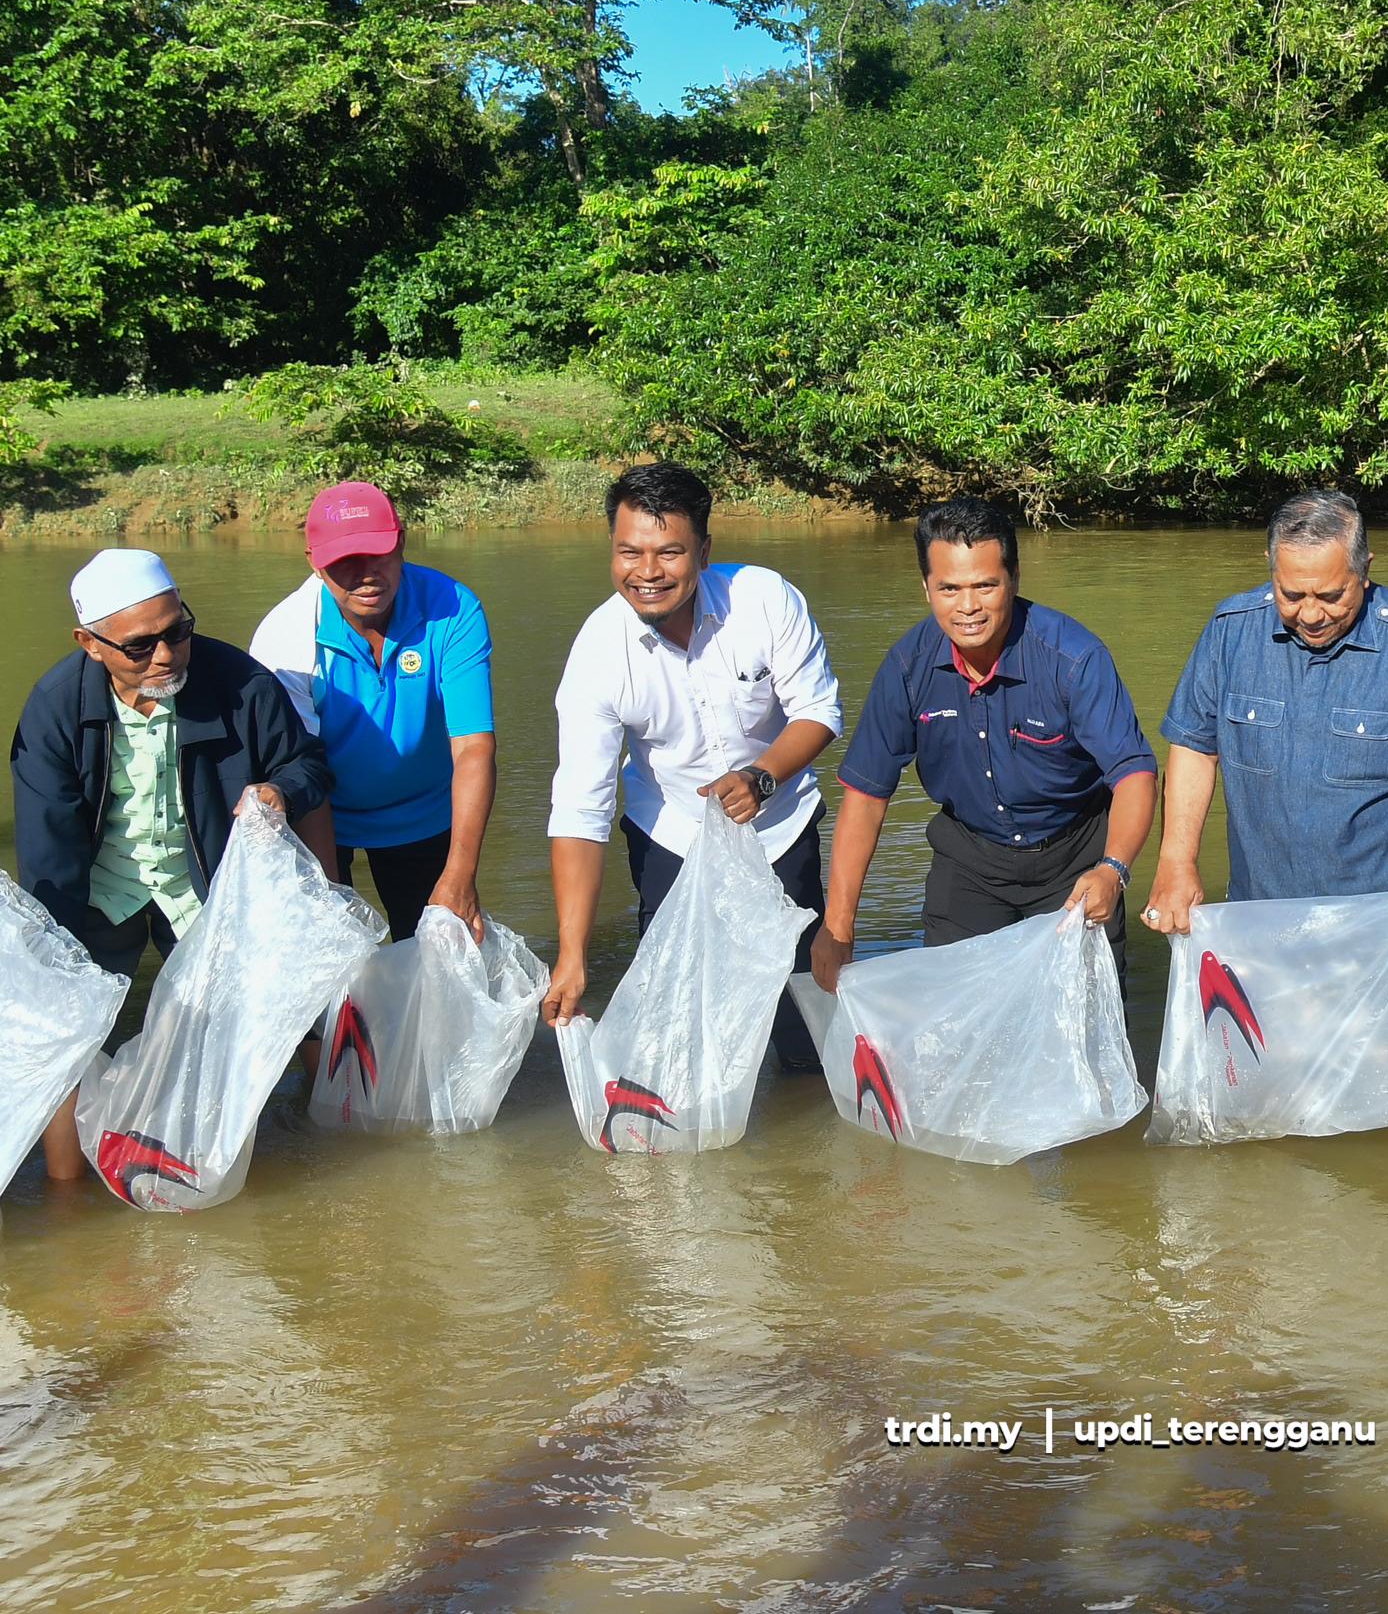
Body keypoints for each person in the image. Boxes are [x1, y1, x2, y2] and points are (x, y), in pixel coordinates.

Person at [11, 549, 332, 1178]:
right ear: (90, 643)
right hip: (104, 890)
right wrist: (49, 956)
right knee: (68, 1040)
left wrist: (279, 792)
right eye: (141, 645)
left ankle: (245, 1170)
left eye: (177, 630)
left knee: (239, 1031)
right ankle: (68, 1202)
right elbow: (46, 843)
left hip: (203, 888)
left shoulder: (241, 683)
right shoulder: (54, 709)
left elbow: (309, 764)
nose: (166, 654)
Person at [541, 463, 843, 1072]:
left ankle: (805, 1139)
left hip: (781, 827)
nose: (647, 572)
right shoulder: (599, 651)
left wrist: (762, 776)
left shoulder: (763, 599)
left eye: (669, 552)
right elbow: (581, 807)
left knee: (799, 1015)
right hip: (670, 837)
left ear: (703, 550)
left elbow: (819, 711)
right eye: (629, 552)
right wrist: (571, 953)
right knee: (682, 1010)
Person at [810, 498, 1156, 992]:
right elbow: (866, 797)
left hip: (1075, 863)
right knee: (959, 1026)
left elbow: (1135, 774)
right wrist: (838, 925)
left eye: (984, 586)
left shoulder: (1074, 658)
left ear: (1013, 579)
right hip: (969, 863)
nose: (967, 607)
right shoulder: (908, 667)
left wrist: (1113, 869)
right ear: (926, 587)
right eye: (948, 588)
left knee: (1087, 1029)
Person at [1144, 490, 1388, 931]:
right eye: (1291, 595)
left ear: (1365, 570)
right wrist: (1176, 861)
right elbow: (1195, 749)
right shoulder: (1229, 634)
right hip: (1263, 915)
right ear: (1272, 568)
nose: (1311, 614)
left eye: (1331, 596)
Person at [249, 482, 496, 942]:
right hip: (323, 813)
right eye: (344, 562)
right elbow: (304, 771)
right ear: (314, 562)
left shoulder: (452, 608)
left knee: (437, 950)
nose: (366, 575)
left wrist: (460, 877)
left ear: (400, 541)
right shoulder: (284, 638)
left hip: (425, 811)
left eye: (379, 554)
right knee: (331, 945)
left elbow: (473, 747)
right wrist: (330, 895)